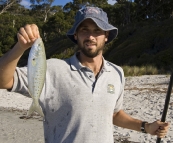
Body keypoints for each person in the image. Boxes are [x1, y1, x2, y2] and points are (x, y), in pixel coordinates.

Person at [0, 6, 170, 143]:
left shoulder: (116, 73)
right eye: (84, 30)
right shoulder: (53, 68)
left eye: (97, 30)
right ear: (76, 35)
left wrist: (146, 127)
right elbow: (4, 80)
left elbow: (114, 114)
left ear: (106, 35)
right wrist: (20, 47)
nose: (90, 36)